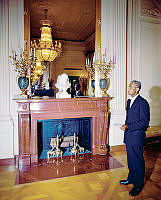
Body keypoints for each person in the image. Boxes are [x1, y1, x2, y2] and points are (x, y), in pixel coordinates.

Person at [120, 80, 150, 196]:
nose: (128, 88)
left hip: (137, 137)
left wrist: (128, 126)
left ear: (137, 89)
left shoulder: (143, 103)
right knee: (131, 159)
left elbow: (144, 122)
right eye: (129, 86)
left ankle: (138, 185)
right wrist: (126, 127)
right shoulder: (129, 101)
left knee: (137, 160)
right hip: (129, 136)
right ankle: (131, 178)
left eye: (131, 87)